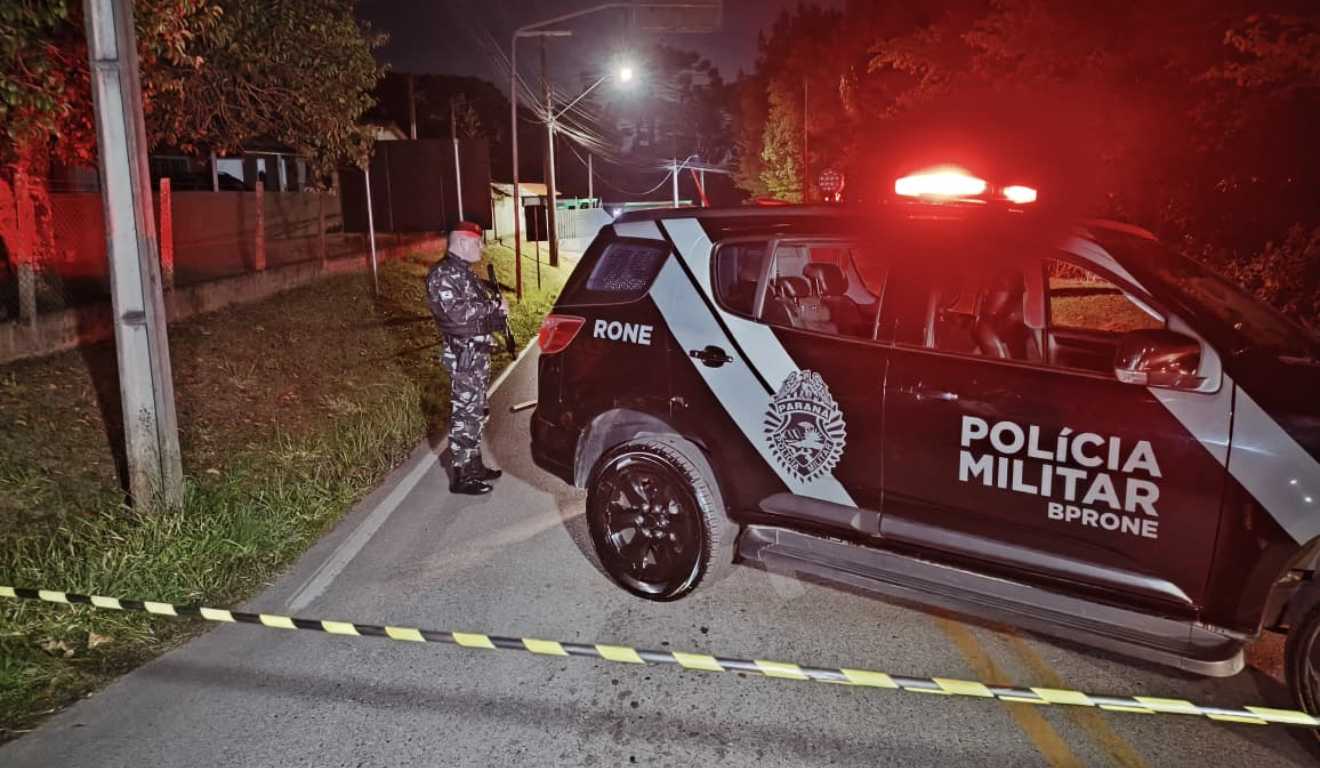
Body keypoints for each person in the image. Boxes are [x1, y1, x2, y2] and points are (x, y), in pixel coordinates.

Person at [426, 222, 508, 495]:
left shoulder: (464, 273)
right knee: (465, 415)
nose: (481, 247)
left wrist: (493, 314)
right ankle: (462, 476)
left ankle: (474, 466)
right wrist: (493, 308)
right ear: (461, 242)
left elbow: (479, 315)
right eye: (477, 242)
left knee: (476, 413)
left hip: (477, 355)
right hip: (464, 357)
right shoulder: (442, 275)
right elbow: (457, 316)